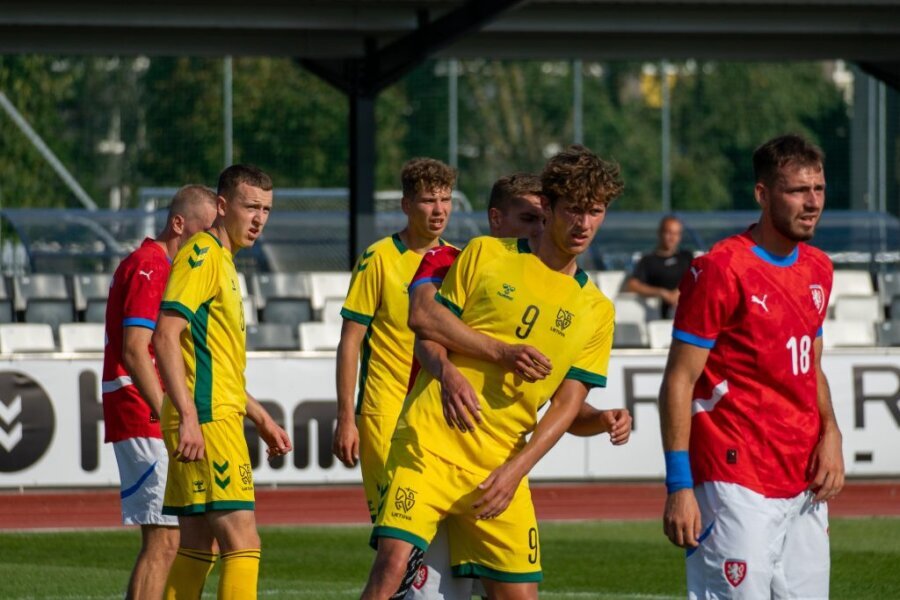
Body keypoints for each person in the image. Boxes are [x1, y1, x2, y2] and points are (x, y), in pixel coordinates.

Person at [361, 145, 624, 599]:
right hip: (430, 445)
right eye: (574, 210)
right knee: (391, 568)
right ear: (551, 209)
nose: (584, 224)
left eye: (595, 212)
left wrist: (516, 471)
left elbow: (567, 403)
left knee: (520, 596)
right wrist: (475, 362)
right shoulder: (486, 254)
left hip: (499, 466)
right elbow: (425, 323)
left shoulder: (596, 309)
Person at [658, 134, 844, 599]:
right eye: (798, 190)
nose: (812, 202)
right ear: (762, 194)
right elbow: (679, 380)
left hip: (804, 482)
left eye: (818, 189)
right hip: (734, 479)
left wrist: (832, 433)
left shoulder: (819, 267)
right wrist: (680, 485)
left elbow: (811, 364)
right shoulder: (720, 269)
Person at [153, 164, 292, 600]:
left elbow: (215, 362)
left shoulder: (223, 261)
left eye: (266, 209)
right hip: (209, 421)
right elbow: (164, 336)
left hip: (208, 414)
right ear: (221, 205)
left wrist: (261, 417)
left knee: (197, 545)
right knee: (243, 543)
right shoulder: (204, 255)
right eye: (250, 206)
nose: (259, 218)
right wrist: (192, 418)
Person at [332, 157, 456, 594]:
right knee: (398, 544)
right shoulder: (380, 258)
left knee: (437, 544)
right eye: (427, 200)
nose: (438, 210)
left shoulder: (459, 262)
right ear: (406, 204)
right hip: (384, 419)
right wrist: (347, 416)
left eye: (445, 200)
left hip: (437, 424)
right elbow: (350, 341)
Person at [102, 184, 217, 599]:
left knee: (191, 536)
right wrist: (172, 412)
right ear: (179, 224)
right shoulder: (152, 266)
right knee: (165, 539)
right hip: (143, 410)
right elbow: (135, 348)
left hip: (148, 409)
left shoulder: (156, 265)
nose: (209, 242)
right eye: (205, 231)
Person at [624, 215, 693, 318]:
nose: (672, 238)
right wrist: (662, 293)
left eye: (676, 234)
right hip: (660, 313)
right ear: (660, 233)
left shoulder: (686, 256)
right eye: (669, 233)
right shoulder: (648, 260)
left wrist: (680, 291)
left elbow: (700, 277)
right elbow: (632, 285)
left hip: (689, 308)